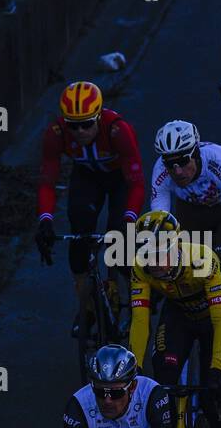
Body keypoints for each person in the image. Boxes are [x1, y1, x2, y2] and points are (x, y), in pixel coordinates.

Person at [127, 211, 221, 428]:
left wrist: (218, 369)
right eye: (146, 256)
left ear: (176, 246)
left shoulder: (202, 259)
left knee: (213, 398)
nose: (153, 264)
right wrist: (133, 370)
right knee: (162, 380)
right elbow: (139, 323)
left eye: (159, 255)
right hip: (179, 313)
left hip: (215, 316)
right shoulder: (141, 268)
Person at [35, 81, 145, 328]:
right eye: (74, 125)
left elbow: (137, 185)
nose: (81, 131)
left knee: (121, 241)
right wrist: (45, 220)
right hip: (86, 178)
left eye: (87, 124)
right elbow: (46, 183)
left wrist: (128, 220)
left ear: (99, 116)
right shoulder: (55, 133)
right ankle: (87, 308)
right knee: (79, 236)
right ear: (65, 122)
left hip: (120, 181)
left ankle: (140, 300)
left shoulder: (119, 131)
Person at [148, 120, 221, 283]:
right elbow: (159, 224)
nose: (178, 171)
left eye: (183, 161)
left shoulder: (218, 160)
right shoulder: (160, 171)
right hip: (191, 208)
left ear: (195, 154)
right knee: (193, 269)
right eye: (170, 164)